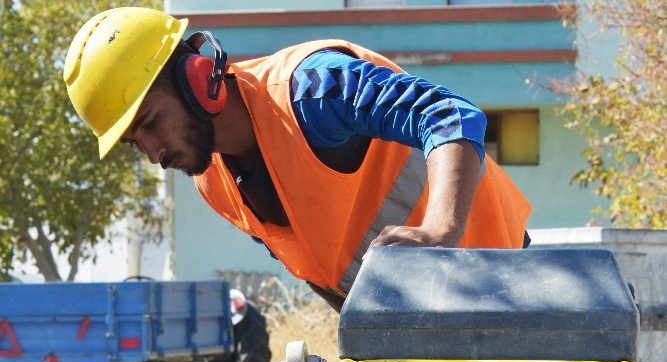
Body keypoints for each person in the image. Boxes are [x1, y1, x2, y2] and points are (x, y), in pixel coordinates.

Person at [64, 6, 531, 314]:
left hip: (502, 275)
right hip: (422, 319)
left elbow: (449, 115)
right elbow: (318, 265)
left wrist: (439, 231)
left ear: (198, 77)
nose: (153, 153)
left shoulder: (311, 92)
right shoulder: (214, 183)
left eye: (150, 122)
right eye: (134, 143)